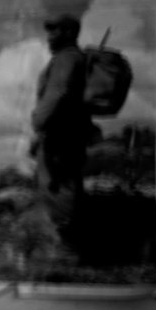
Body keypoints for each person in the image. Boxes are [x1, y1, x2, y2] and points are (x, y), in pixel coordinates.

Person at [30, 13, 93, 236]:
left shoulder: (67, 58)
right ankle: (69, 241)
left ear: (69, 33)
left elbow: (58, 93)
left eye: (54, 30)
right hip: (68, 135)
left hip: (60, 137)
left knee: (58, 185)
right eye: (49, 31)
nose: (49, 36)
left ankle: (68, 246)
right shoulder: (74, 57)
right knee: (64, 183)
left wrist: (38, 122)